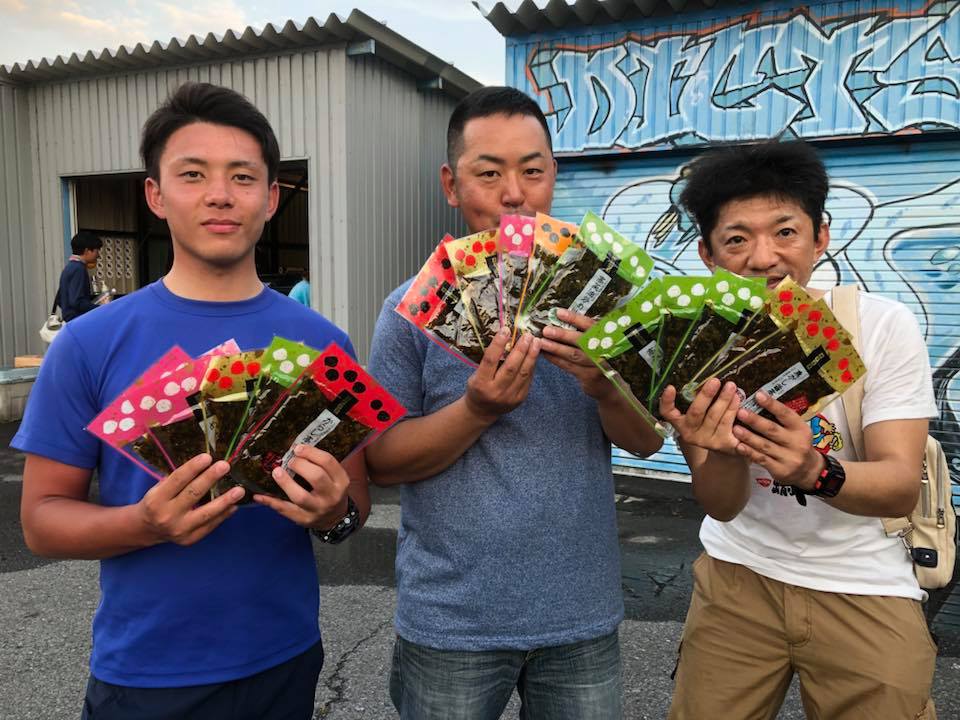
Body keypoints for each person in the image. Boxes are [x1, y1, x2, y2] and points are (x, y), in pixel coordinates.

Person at [13, 82, 370, 720]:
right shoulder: (90, 343)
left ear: (271, 197)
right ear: (156, 194)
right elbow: (41, 521)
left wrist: (331, 513)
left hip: (286, 657)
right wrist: (143, 524)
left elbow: (354, 505)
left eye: (242, 176)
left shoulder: (323, 343)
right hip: (146, 673)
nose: (219, 194)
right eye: (193, 174)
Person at [365, 86, 664, 720]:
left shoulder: (607, 302)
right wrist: (477, 409)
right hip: (451, 621)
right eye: (488, 173)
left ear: (553, 174)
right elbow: (381, 461)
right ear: (451, 185)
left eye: (532, 171)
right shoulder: (411, 309)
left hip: (580, 615)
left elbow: (646, 442)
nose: (514, 194)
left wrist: (605, 383)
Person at [660, 140, 938, 719]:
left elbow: (898, 487)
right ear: (707, 254)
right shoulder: (696, 343)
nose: (764, 258)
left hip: (864, 583)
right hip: (738, 575)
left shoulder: (879, 327)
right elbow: (721, 505)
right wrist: (725, 452)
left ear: (820, 237)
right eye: (737, 239)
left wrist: (815, 469)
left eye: (785, 232)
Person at [58, 231, 104, 321]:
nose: (98, 255)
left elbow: (60, 299)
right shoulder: (79, 268)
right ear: (87, 251)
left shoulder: (70, 266)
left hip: (70, 320)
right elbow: (76, 301)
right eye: (97, 251)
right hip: (77, 320)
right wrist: (100, 308)